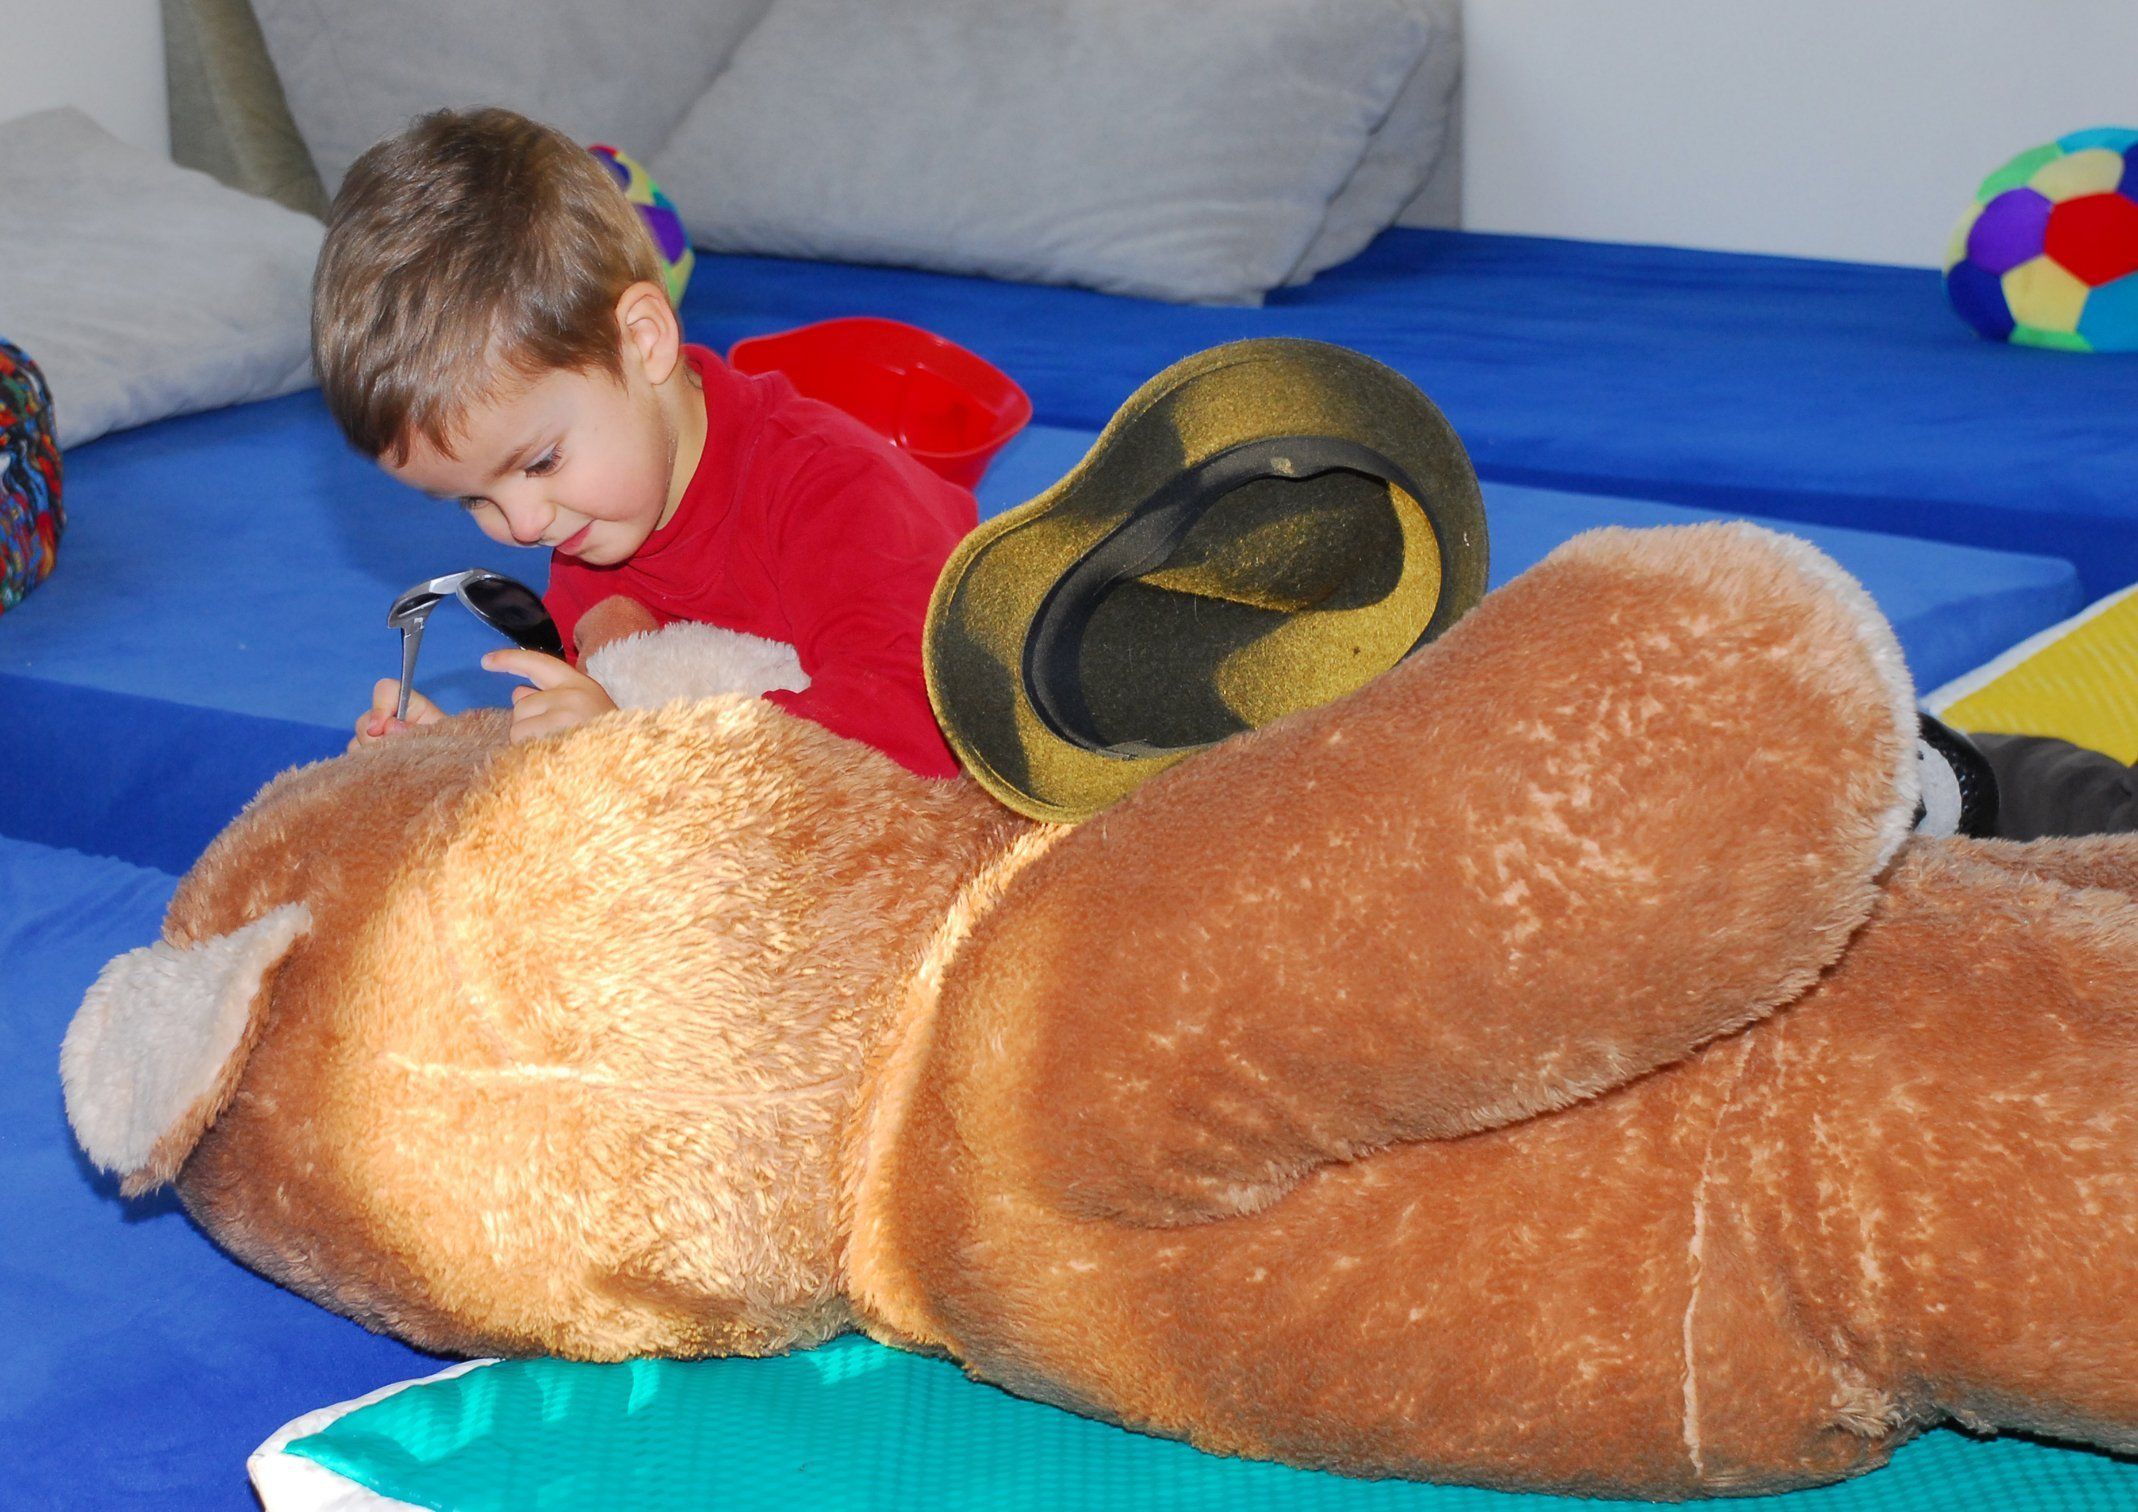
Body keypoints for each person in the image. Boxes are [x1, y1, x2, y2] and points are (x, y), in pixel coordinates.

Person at [319, 107, 974, 777]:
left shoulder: (838, 496)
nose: (522, 527)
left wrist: (636, 755)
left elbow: (918, 733)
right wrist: (457, 756)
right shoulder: (591, 526)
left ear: (643, 339)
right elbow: (582, 726)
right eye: (473, 500)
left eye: (541, 461)